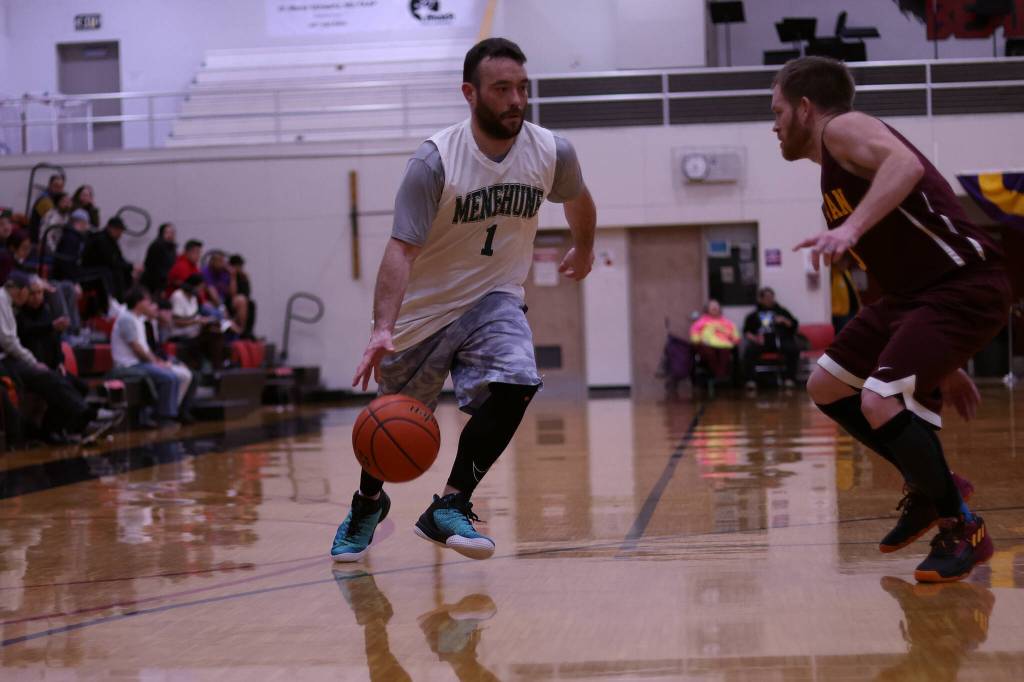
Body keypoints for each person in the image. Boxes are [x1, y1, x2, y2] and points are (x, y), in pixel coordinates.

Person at [331, 37, 596, 563]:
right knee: (394, 420)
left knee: (519, 379)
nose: (516, 99)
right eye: (502, 89)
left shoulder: (551, 151)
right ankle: (368, 502)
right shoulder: (435, 161)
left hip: (495, 296)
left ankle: (451, 504)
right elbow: (400, 250)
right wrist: (382, 326)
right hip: (425, 310)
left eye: (523, 88)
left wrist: (585, 246)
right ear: (470, 94)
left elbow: (580, 200)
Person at [772, 56, 1011, 582]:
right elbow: (880, 272)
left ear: (806, 109)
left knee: (879, 400)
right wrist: (940, 360)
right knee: (827, 384)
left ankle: (961, 526)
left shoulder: (843, 128)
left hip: (962, 284)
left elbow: (906, 166)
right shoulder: (835, 178)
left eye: (779, 110)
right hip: (912, 300)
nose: (774, 124)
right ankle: (928, 484)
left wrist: (851, 229)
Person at [0, 271, 114, 443]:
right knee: (48, 377)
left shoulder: (32, 308)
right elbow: (9, 341)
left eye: (40, 292)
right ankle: (87, 417)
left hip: (21, 359)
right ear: (22, 291)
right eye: (33, 293)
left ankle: (79, 423)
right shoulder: (6, 303)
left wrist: (59, 361)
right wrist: (33, 362)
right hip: (9, 360)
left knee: (67, 381)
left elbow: (55, 342)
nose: (37, 297)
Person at [112, 288, 190, 425]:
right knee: (169, 377)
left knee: (179, 374)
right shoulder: (126, 319)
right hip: (128, 365)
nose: (150, 303)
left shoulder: (139, 320)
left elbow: (146, 349)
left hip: (140, 363)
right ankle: (163, 415)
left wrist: (157, 361)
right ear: (138, 302)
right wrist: (156, 363)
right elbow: (137, 349)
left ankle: (170, 412)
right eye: (147, 300)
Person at [741, 287, 800, 389]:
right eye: (767, 297)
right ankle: (751, 380)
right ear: (761, 299)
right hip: (762, 341)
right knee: (749, 350)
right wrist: (755, 339)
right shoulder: (754, 315)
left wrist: (784, 321)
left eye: (771, 297)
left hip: (780, 340)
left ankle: (789, 379)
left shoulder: (781, 311)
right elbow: (746, 331)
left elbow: (794, 325)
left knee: (793, 349)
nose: (770, 299)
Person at [83, 216, 137, 302]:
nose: (120, 233)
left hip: (103, 270)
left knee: (124, 272)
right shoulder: (101, 239)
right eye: (119, 230)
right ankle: (116, 302)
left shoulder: (111, 241)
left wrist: (131, 267)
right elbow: (111, 261)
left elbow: (119, 258)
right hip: (94, 271)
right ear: (111, 228)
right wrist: (131, 267)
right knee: (116, 273)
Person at [689, 299, 739, 382]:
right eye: (712, 306)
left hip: (723, 345)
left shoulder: (727, 322)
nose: (715, 308)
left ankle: (720, 375)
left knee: (725, 351)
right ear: (707, 309)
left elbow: (735, 335)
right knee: (709, 351)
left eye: (716, 306)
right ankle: (719, 375)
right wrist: (699, 340)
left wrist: (734, 341)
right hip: (706, 345)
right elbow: (694, 334)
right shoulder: (701, 322)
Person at [142, 223, 178, 297]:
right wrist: (161, 286)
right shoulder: (157, 246)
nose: (171, 235)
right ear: (162, 233)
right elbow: (153, 267)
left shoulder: (171, 248)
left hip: (166, 281)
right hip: (155, 283)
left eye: (172, 233)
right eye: (168, 232)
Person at [28, 174, 64, 242]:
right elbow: (52, 220)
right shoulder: (45, 201)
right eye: (56, 186)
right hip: (37, 240)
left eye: (61, 187)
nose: (59, 189)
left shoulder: (54, 200)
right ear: (50, 186)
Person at [228, 254, 255, 338]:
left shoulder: (243, 276)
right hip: (230, 301)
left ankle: (248, 330)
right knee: (241, 300)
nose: (240, 268)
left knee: (251, 304)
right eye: (237, 266)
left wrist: (246, 279)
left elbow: (247, 292)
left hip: (242, 300)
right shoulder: (229, 276)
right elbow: (232, 293)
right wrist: (233, 277)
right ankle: (242, 331)